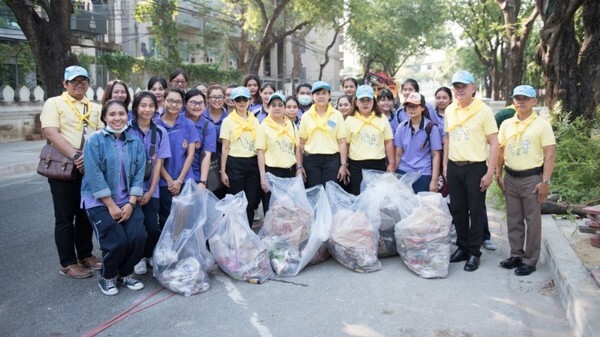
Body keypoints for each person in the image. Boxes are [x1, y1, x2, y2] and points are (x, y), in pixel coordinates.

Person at [40, 65, 103, 279]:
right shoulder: (54, 103)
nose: (79, 84)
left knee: (85, 213)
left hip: (88, 168)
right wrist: (76, 156)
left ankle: (85, 254)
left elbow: (100, 133)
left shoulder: (93, 107)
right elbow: (51, 132)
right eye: (74, 81)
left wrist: (89, 158)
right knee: (65, 217)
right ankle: (67, 262)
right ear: (64, 84)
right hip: (64, 167)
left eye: (83, 80)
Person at [81, 99, 147, 295]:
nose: (117, 118)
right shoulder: (95, 140)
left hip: (127, 200)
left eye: (121, 114)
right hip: (99, 201)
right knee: (116, 241)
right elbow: (93, 175)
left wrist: (131, 203)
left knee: (138, 237)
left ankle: (125, 273)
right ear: (104, 117)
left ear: (128, 117)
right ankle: (108, 276)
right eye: (112, 114)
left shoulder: (135, 141)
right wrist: (110, 205)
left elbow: (139, 173)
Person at [496, 85, 555, 276]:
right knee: (514, 219)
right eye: (517, 98)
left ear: (534, 101)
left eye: (525, 98)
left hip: (532, 178)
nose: (520, 102)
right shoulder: (507, 124)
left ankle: (530, 260)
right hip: (511, 176)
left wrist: (545, 182)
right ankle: (516, 254)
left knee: (532, 220)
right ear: (513, 100)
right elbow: (501, 149)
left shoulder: (542, 125)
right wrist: (498, 173)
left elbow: (550, 154)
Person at [444, 70, 498, 272]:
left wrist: (490, 171)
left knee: (476, 211)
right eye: (456, 86)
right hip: (454, 167)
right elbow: (448, 137)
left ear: (473, 88)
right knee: (458, 209)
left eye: (463, 86)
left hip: (475, 167)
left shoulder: (483, 111)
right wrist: (445, 166)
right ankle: (463, 247)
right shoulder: (450, 110)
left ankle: (474, 252)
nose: (459, 90)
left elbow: (494, 143)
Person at [127, 91, 171, 275]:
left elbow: (158, 163)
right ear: (136, 107)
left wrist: (151, 190)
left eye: (151, 106)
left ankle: (150, 253)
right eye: (143, 105)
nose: (147, 109)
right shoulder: (126, 129)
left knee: (153, 226)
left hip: (151, 188)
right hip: (128, 189)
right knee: (136, 228)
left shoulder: (160, 132)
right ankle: (136, 258)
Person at [155, 87, 198, 228]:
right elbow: (156, 158)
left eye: (178, 102)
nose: (174, 105)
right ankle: (166, 250)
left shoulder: (188, 124)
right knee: (166, 220)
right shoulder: (155, 125)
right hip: (162, 180)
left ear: (183, 104)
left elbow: (190, 154)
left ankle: (183, 250)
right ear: (164, 101)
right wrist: (169, 180)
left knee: (186, 221)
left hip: (185, 178)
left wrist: (179, 180)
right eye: (170, 101)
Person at [220, 86, 261, 225]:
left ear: (250, 101)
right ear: (233, 102)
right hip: (235, 164)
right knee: (237, 202)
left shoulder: (254, 120)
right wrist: (223, 171)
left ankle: (248, 234)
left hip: (253, 163)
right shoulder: (228, 121)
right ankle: (236, 235)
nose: (242, 102)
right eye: (238, 99)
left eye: (245, 99)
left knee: (250, 202)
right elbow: (225, 147)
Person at [297, 81, 349, 188]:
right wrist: (300, 166)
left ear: (329, 95)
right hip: (311, 161)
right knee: (315, 192)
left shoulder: (337, 115)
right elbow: (301, 143)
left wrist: (343, 164)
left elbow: (342, 142)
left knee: (330, 192)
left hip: (332, 161)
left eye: (324, 93)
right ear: (312, 96)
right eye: (317, 93)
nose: (321, 96)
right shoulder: (306, 116)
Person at [345, 85, 395, 195]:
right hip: (356, 165)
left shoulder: (382, 118)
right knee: (358, 196)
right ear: (356, 102)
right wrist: (344, 164)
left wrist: (391, 163)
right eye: (362, 100)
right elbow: (346, 144)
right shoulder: (350, 119)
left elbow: (388, 142)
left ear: (374, 102)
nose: (365, 103)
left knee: (376, 197)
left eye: (368, 100)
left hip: (378, 164)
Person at [256, 93, 302, 212]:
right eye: (273, 105)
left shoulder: (291, 125)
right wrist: (262, 176)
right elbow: (260, 152)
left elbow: (296, 148)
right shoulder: (263, 126)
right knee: (271, 208)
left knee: (288, 207)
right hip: (272, 172)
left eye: (280, 105)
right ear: (269, 107)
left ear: (284, 108)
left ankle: (286, 231)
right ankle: (271, 231)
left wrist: (298, 169)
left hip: (290, 171)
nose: (277, 108)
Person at [394, 92, 442, 193]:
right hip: (403, 172)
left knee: (421, 207)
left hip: (423, 173)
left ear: (423, 108)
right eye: (408, 106)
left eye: (415, 106)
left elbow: (436, 155)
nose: (411, 109)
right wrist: (393, 175)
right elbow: (398, 154)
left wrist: (434, 181)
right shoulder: (402, 127)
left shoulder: (431, 128)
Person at [184, 88, 216, 188]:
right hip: (174, 176)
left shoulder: (208, 126)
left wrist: (203, 182)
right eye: (193, 103)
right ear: (185, 104)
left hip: (196, 176)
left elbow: (207, 155)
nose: (197, 106)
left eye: (201, 103)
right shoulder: (178, 121)